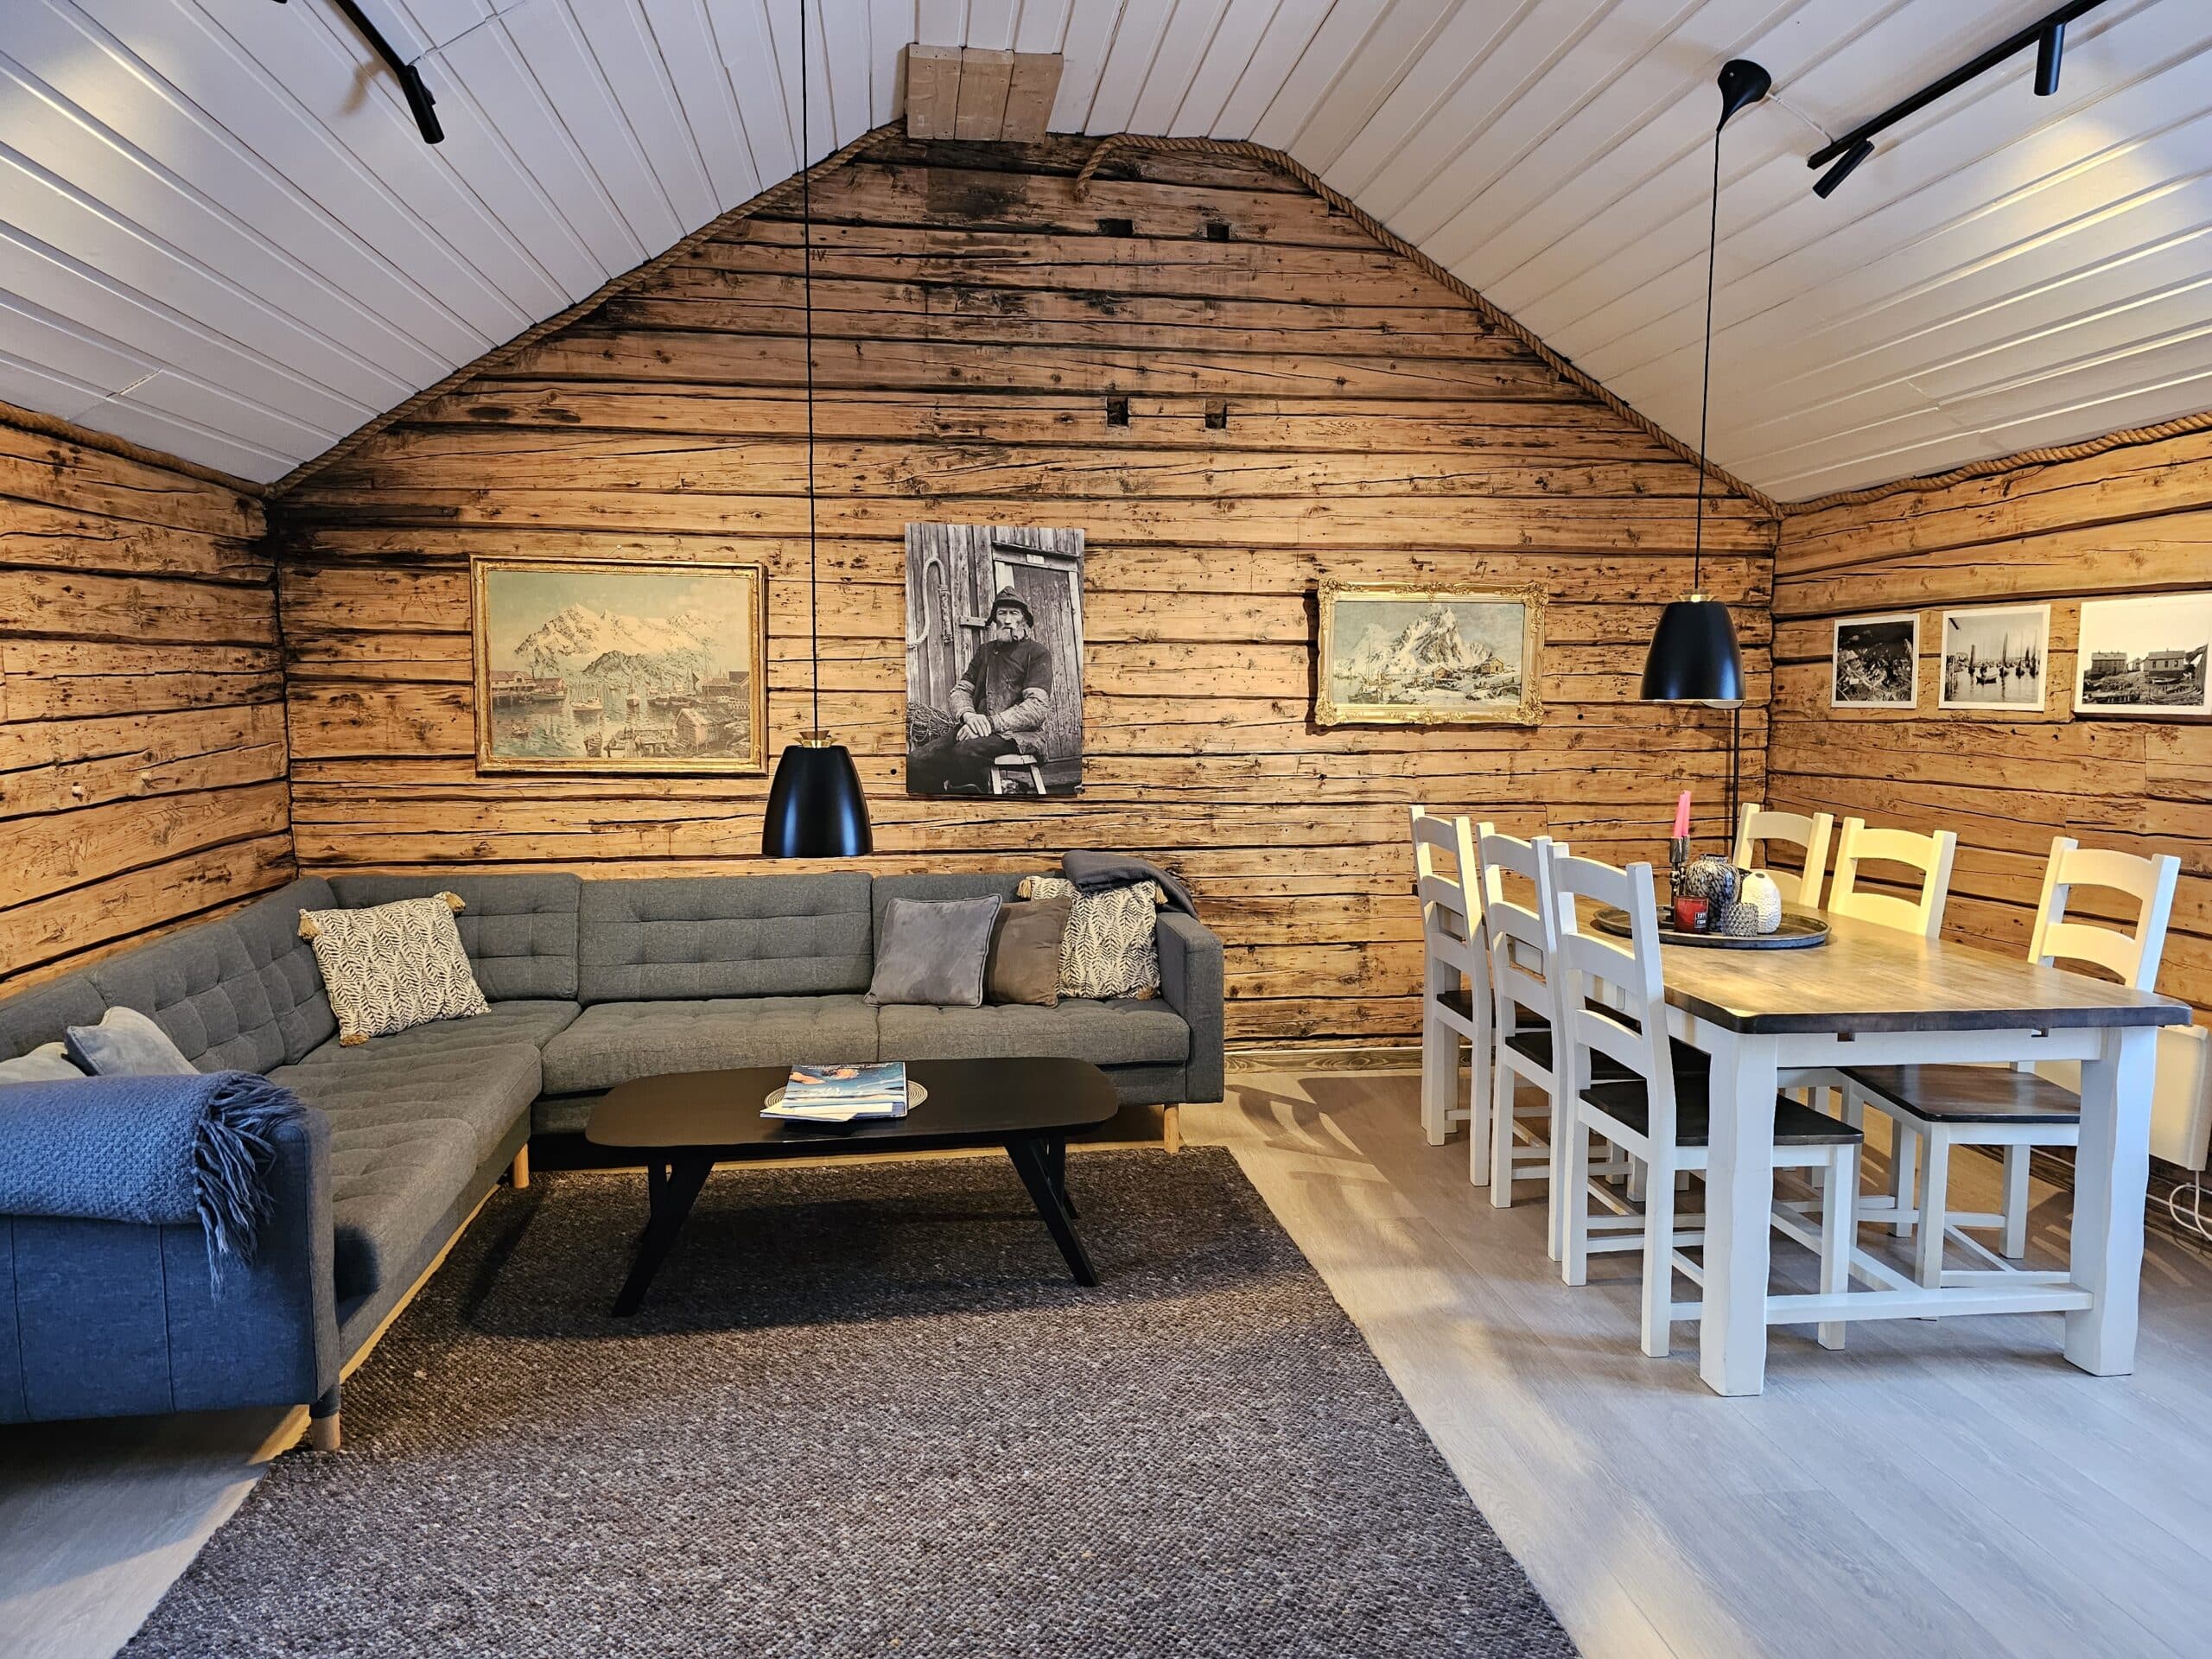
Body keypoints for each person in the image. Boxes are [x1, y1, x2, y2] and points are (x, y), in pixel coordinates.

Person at [909, 588, 1054, 794]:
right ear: (995, 619)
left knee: (965, 751)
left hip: (1018, 735)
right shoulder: (984, 651)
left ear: (1024, 619)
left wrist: (989, 723)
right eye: (1002, 613)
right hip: (974, 727)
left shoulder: (1038, 653)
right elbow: (961, 690)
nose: (1008, 620)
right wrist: (969, 715)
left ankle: (974, 792)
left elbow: (1036, 708)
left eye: (1014, 613)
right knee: (915, 762)